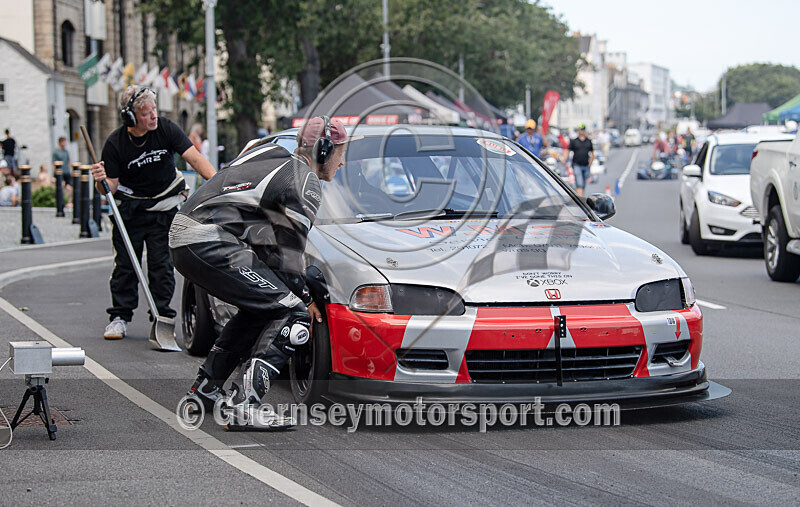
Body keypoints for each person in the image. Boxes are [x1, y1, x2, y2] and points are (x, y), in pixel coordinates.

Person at [169, 116, 347, 428]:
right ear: (324, 150)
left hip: (185, 233)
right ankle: (243, 405)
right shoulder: (305, 181)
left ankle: (206, 391)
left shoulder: (269, 153)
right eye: (341, 152)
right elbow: (289, 259)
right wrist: (306, 298)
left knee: (264, 308)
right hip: (208, 238)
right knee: (293, 314)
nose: (342, 162)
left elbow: (268, 243)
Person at [90, 85, 216, 340]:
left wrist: (218, 183)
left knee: (161, 265)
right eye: (146, 113)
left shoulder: (167, 129)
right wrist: (100, 180)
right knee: (125, 265)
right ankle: (119, 317)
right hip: (131, 209)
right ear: (131, 118)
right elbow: (110, 188)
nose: (154, 116)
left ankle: (163, 317)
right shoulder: (116, 143)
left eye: (154, 110)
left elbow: (195, 159)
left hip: (164, 206)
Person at [563, 124, 594, 197]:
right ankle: (580, 199)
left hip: (586, 165)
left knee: (583, 184)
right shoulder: (575, 141)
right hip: (577, 164)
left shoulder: (588, 141)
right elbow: (568, 150)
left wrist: (590, 163)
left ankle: (581, 196)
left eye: (583, 130)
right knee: (579, 183)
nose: (582, 131)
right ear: (578, 131)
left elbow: (592, 153)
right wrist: (564, 159)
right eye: (580, 130)